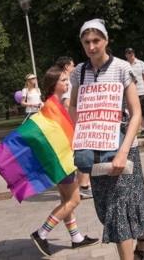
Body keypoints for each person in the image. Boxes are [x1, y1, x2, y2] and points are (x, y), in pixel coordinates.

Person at [69, 19, 144, 260]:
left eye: (96, 41)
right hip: (95, 149)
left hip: (123, 148)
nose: (91, 46)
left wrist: (123, 152)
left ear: (106, 41)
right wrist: (79, 133)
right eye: (86, 41)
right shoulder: (79, 72)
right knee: (105, 209)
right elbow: (72, 105)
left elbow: (136, 113)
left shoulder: (122, 68)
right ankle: (143, 233)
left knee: (119, 210)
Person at [30, 66, 99, 257]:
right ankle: (41, 233)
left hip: (60, 161)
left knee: (65, 200)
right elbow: (53, 136)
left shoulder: (54, 104)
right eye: (63, 80)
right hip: (63, 162)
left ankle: (76, 238)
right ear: (54, 84)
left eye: (67, 80)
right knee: (74, 199)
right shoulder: (52, 106)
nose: (67, 83)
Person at [55, 56, 93, 199]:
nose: (74, 66)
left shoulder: (63, 79)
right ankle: (83, 186)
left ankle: (81, 184)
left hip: (67, 123)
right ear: (66, 66)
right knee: (81, 152)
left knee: (78, 153)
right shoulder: (66, 80)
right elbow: (66, 103)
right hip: (70, 123)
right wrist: (73, 124)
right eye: (72, 64)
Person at [125, 47, 144, 138]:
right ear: (126, 55)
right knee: (130, 112)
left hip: (141, 91)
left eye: (132, 52)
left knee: (142, 112)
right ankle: (132, 130)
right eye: (129, 53)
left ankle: (143, 129)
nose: (131, 54)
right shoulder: (125, 65)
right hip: (129, 92)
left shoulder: (141, 63)